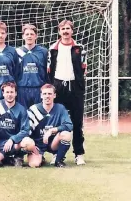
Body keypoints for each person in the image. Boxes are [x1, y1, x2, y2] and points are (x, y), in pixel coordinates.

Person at [47, 19, 87, 165]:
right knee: (56, 121)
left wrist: (78, 85)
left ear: (72, 30)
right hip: (58, 87)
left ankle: (79, 153)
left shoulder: (80, 48)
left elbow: (83, 69)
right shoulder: (53, 48)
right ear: (59, 31)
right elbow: (49, 70)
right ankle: (56, 153)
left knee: (77, 122)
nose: (65, 31)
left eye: (68, 29)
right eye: (62, 29)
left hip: (75, 87)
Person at [0, 82, 34, 168]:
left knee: (29, 143)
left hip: (14, 144)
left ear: (16, 93)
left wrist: (12, 139)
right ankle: (7, 159)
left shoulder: (21, 109)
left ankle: (18, 156)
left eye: (12, 92)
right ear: (3, 93)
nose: (9, 95)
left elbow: (25, 130)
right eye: (7, 92)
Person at [27, 84, 74, 168]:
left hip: (53, 143)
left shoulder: (60, 108)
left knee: (66, 134)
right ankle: (40, 157)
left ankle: (58, 160)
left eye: (49, 94)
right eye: (44, 94)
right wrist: (32, 146)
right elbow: (27, 130)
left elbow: (69, 125)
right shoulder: (34, 109)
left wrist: (52, 130)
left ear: (54, 95)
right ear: (41, 95)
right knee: (34, 164)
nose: (47, 96)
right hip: (38, 144)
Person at [16, 24, 48, 108]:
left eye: (32, 34)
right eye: (27, 34)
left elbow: (47, 71)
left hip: (39, 89)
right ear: (23, 36)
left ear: (36, 36)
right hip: (22, 89)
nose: (29, 36)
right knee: (23, 115)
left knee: (39, 116)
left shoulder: (44, 52)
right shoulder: (17, 52)